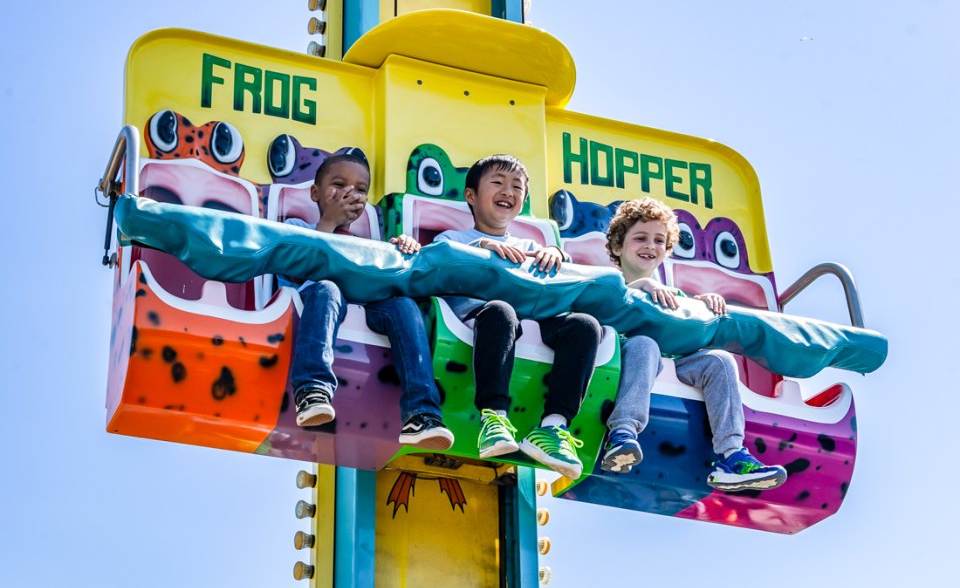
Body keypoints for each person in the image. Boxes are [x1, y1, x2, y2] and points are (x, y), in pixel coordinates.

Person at [434, 154, 603, 480]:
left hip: (534, 318)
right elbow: (441, 264)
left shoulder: (530, 245)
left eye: (516, 187)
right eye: (497, 183)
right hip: (482, 318)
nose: (507, 191)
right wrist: (482, 248)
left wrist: (556, 254)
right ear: (471, 195)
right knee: (501, 310)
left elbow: (561, 274)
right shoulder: (454, 240)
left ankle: (552, 428)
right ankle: (493, 418)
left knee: (585, 326)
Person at [600, 197, 787, 491]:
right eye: (640, 238)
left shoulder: (673, 295)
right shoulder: (609, 283)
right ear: (617, 247)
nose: (650, 245)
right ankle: (623, 433)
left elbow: (689, 323)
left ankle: (732, 455)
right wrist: (641, 287)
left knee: (719, 360)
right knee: (645, 343)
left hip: (672, 363)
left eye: (659, 240)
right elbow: (603, 307)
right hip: (624, 358)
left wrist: (704, 304)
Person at [279, 151, 454, 450]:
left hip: (366, 304)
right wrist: (329, 221)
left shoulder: (369, 244)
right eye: (339, 184)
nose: (350, 193)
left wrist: (402, 250)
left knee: (403, 305)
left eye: (360, 189)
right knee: (328, 289)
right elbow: (302, 265)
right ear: (315, 192)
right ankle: (312, 390)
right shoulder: (300, 228)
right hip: (320, 301)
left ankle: (421, 413)